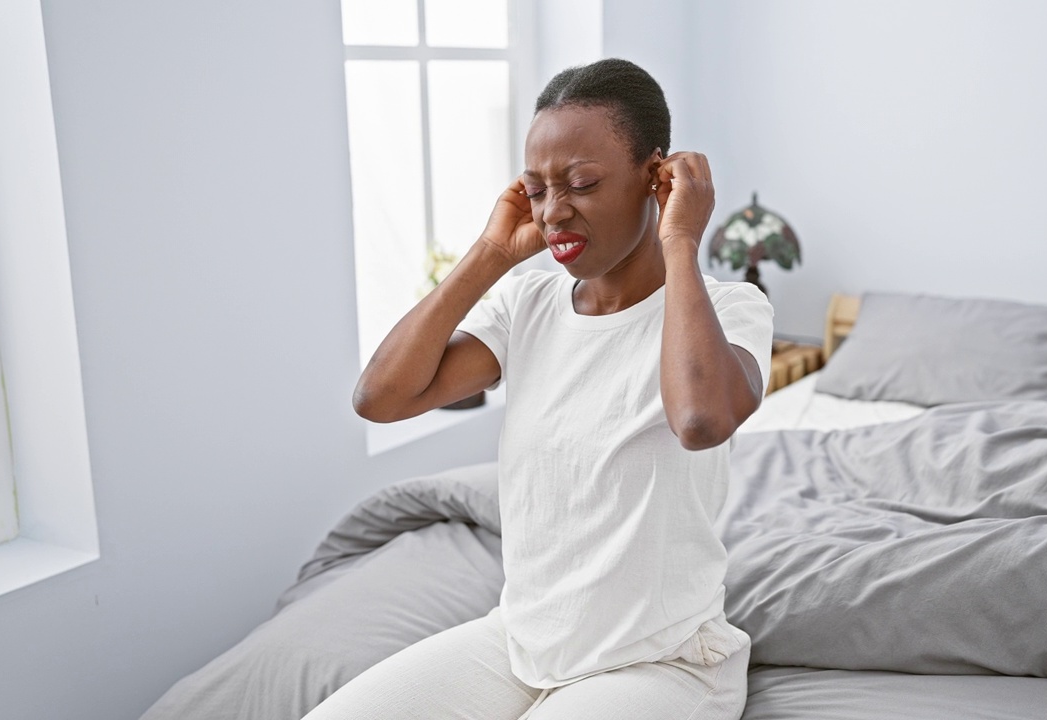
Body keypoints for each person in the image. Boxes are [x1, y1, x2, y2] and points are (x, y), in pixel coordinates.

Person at [307, 58, 773, 720]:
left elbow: (701, 419)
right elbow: (380, 399)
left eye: (581, 183)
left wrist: (681, 242)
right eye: (536, 188)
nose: (554, 212)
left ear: (655, 177)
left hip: (658, 661)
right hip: (519, 641)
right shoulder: (529, 303)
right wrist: (491, 255)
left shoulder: (730, 307)